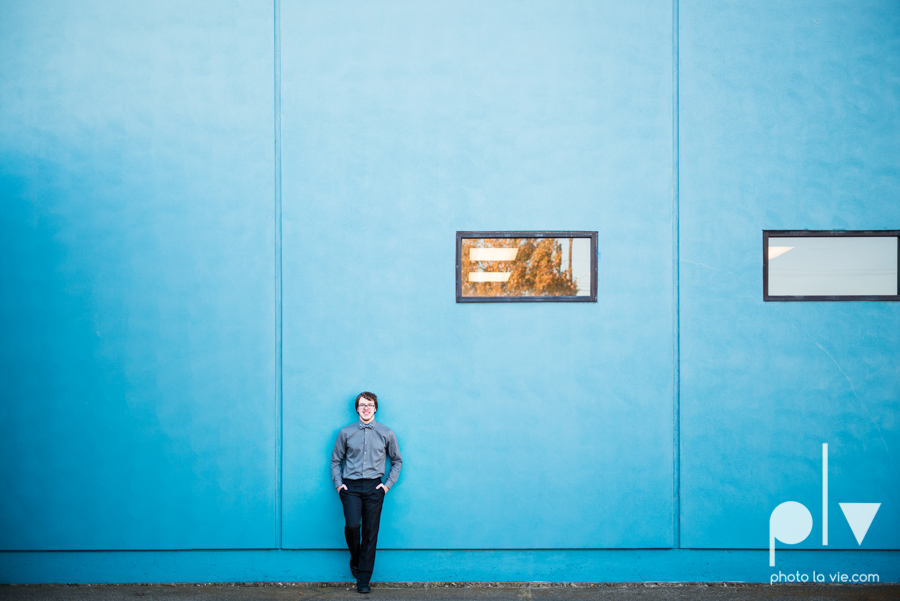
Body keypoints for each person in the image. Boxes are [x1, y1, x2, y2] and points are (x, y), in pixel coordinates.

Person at [331, 391, 402, 594]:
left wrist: (387, 485)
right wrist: (339, 484)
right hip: (350, 488)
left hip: (374, 488)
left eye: (369, 405)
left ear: (375, 408)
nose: (366, 408)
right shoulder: (345, 432)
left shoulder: (387, 433)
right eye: (362, 405)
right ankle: (356, 557)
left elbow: (397, 461)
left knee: (370, 533)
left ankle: (363, 578)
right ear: (357, 408)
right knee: (352, 527)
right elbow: (336, 460)